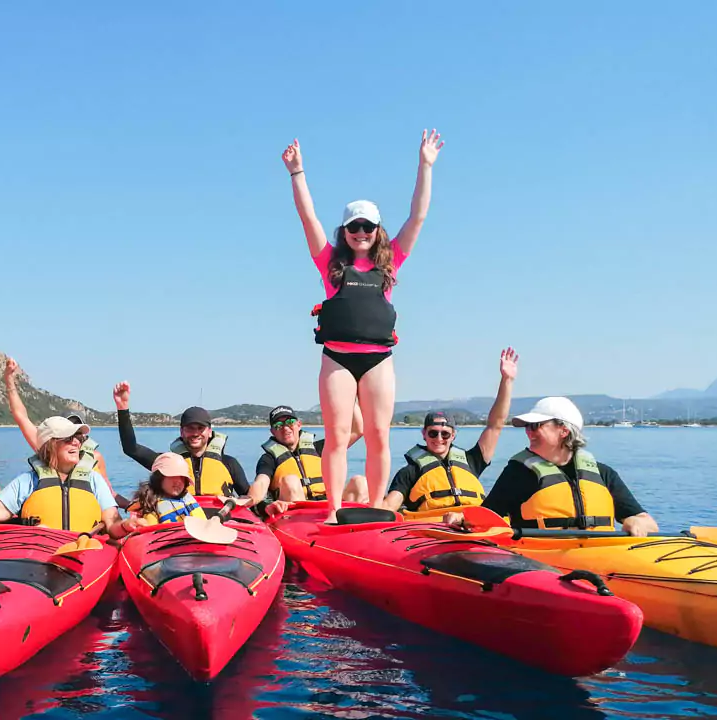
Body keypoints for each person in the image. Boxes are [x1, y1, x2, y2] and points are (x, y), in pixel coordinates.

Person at [282, 130, 444, 523]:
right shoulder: (330, 264)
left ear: (377, 231)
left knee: (378, 436)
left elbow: (418, 216)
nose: (360, 233)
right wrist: (297, 172)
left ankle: (373, 509)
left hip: (378, 360)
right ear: (344, 231)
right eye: (354, 227)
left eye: (368, 227)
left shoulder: (391, 263)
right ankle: (334, 511)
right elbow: (308, 218)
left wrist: (425, 166)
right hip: (337, 358)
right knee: (337, 437)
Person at [444, 397, 659, 537]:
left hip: (602, 557)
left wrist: (636, 522)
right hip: (543, 563)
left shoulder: (603, 474)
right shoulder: (519, 474)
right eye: (527, 427)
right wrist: (462, 518)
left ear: (563, 431)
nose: (529, 432)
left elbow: (649, 523)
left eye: (536, 426)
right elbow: (487, 516)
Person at [380, 348, 519, 515]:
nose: (439, 438)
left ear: (453, 435)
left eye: (445, 434)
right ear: (424, 434)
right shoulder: (409, 473)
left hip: (471, 525)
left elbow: (495, 425)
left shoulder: (472, 461)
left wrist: (507, 380)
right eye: (433, 433)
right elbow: (389, 506)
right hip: (433, 529)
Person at [0, 416, 122, 534]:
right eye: (69, 438)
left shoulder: (93, 479)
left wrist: (127, 526)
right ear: (50, 445)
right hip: (41, 554)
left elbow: (112, 523)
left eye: (79, 438)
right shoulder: (28, 482)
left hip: (85, 554)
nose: (76, 442)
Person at [112, 381, 250, 499]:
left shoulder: (230, 464)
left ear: (209, 432)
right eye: (190, 428)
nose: (195, 433)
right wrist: (122, 408)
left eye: (200, 428)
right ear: (181, 432)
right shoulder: (167, 464)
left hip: (220, 522)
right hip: (181, 522)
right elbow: (131, 448)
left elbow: (250, 497)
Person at [3, 356, 115, 493]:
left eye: (78, 434)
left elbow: (109, 493)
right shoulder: (46, 449)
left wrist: (131, 506)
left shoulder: (95, 458)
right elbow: (21, 416)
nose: (74, 439)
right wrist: (9, 379)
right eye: (68, 434)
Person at [253, 405, 367, 514]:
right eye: (278, 425)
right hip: (297, 513)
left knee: (360, 481)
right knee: (290, 480)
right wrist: (251, 499)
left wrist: (352, 397)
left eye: (290, 422)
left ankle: (363, 525)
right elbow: (261, 483)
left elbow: (357, 431)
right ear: (272, 431)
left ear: (299, 424)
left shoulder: (321, 448)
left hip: (329, 506)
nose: (285, 428)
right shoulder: (268, 459)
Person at [114, 452, 206, 535]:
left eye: (182, 478)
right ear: (159, 478)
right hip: (169, 545)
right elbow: (149, 534)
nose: (178, 482)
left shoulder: (187, 499)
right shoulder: (151, 505)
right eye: (173, 476)